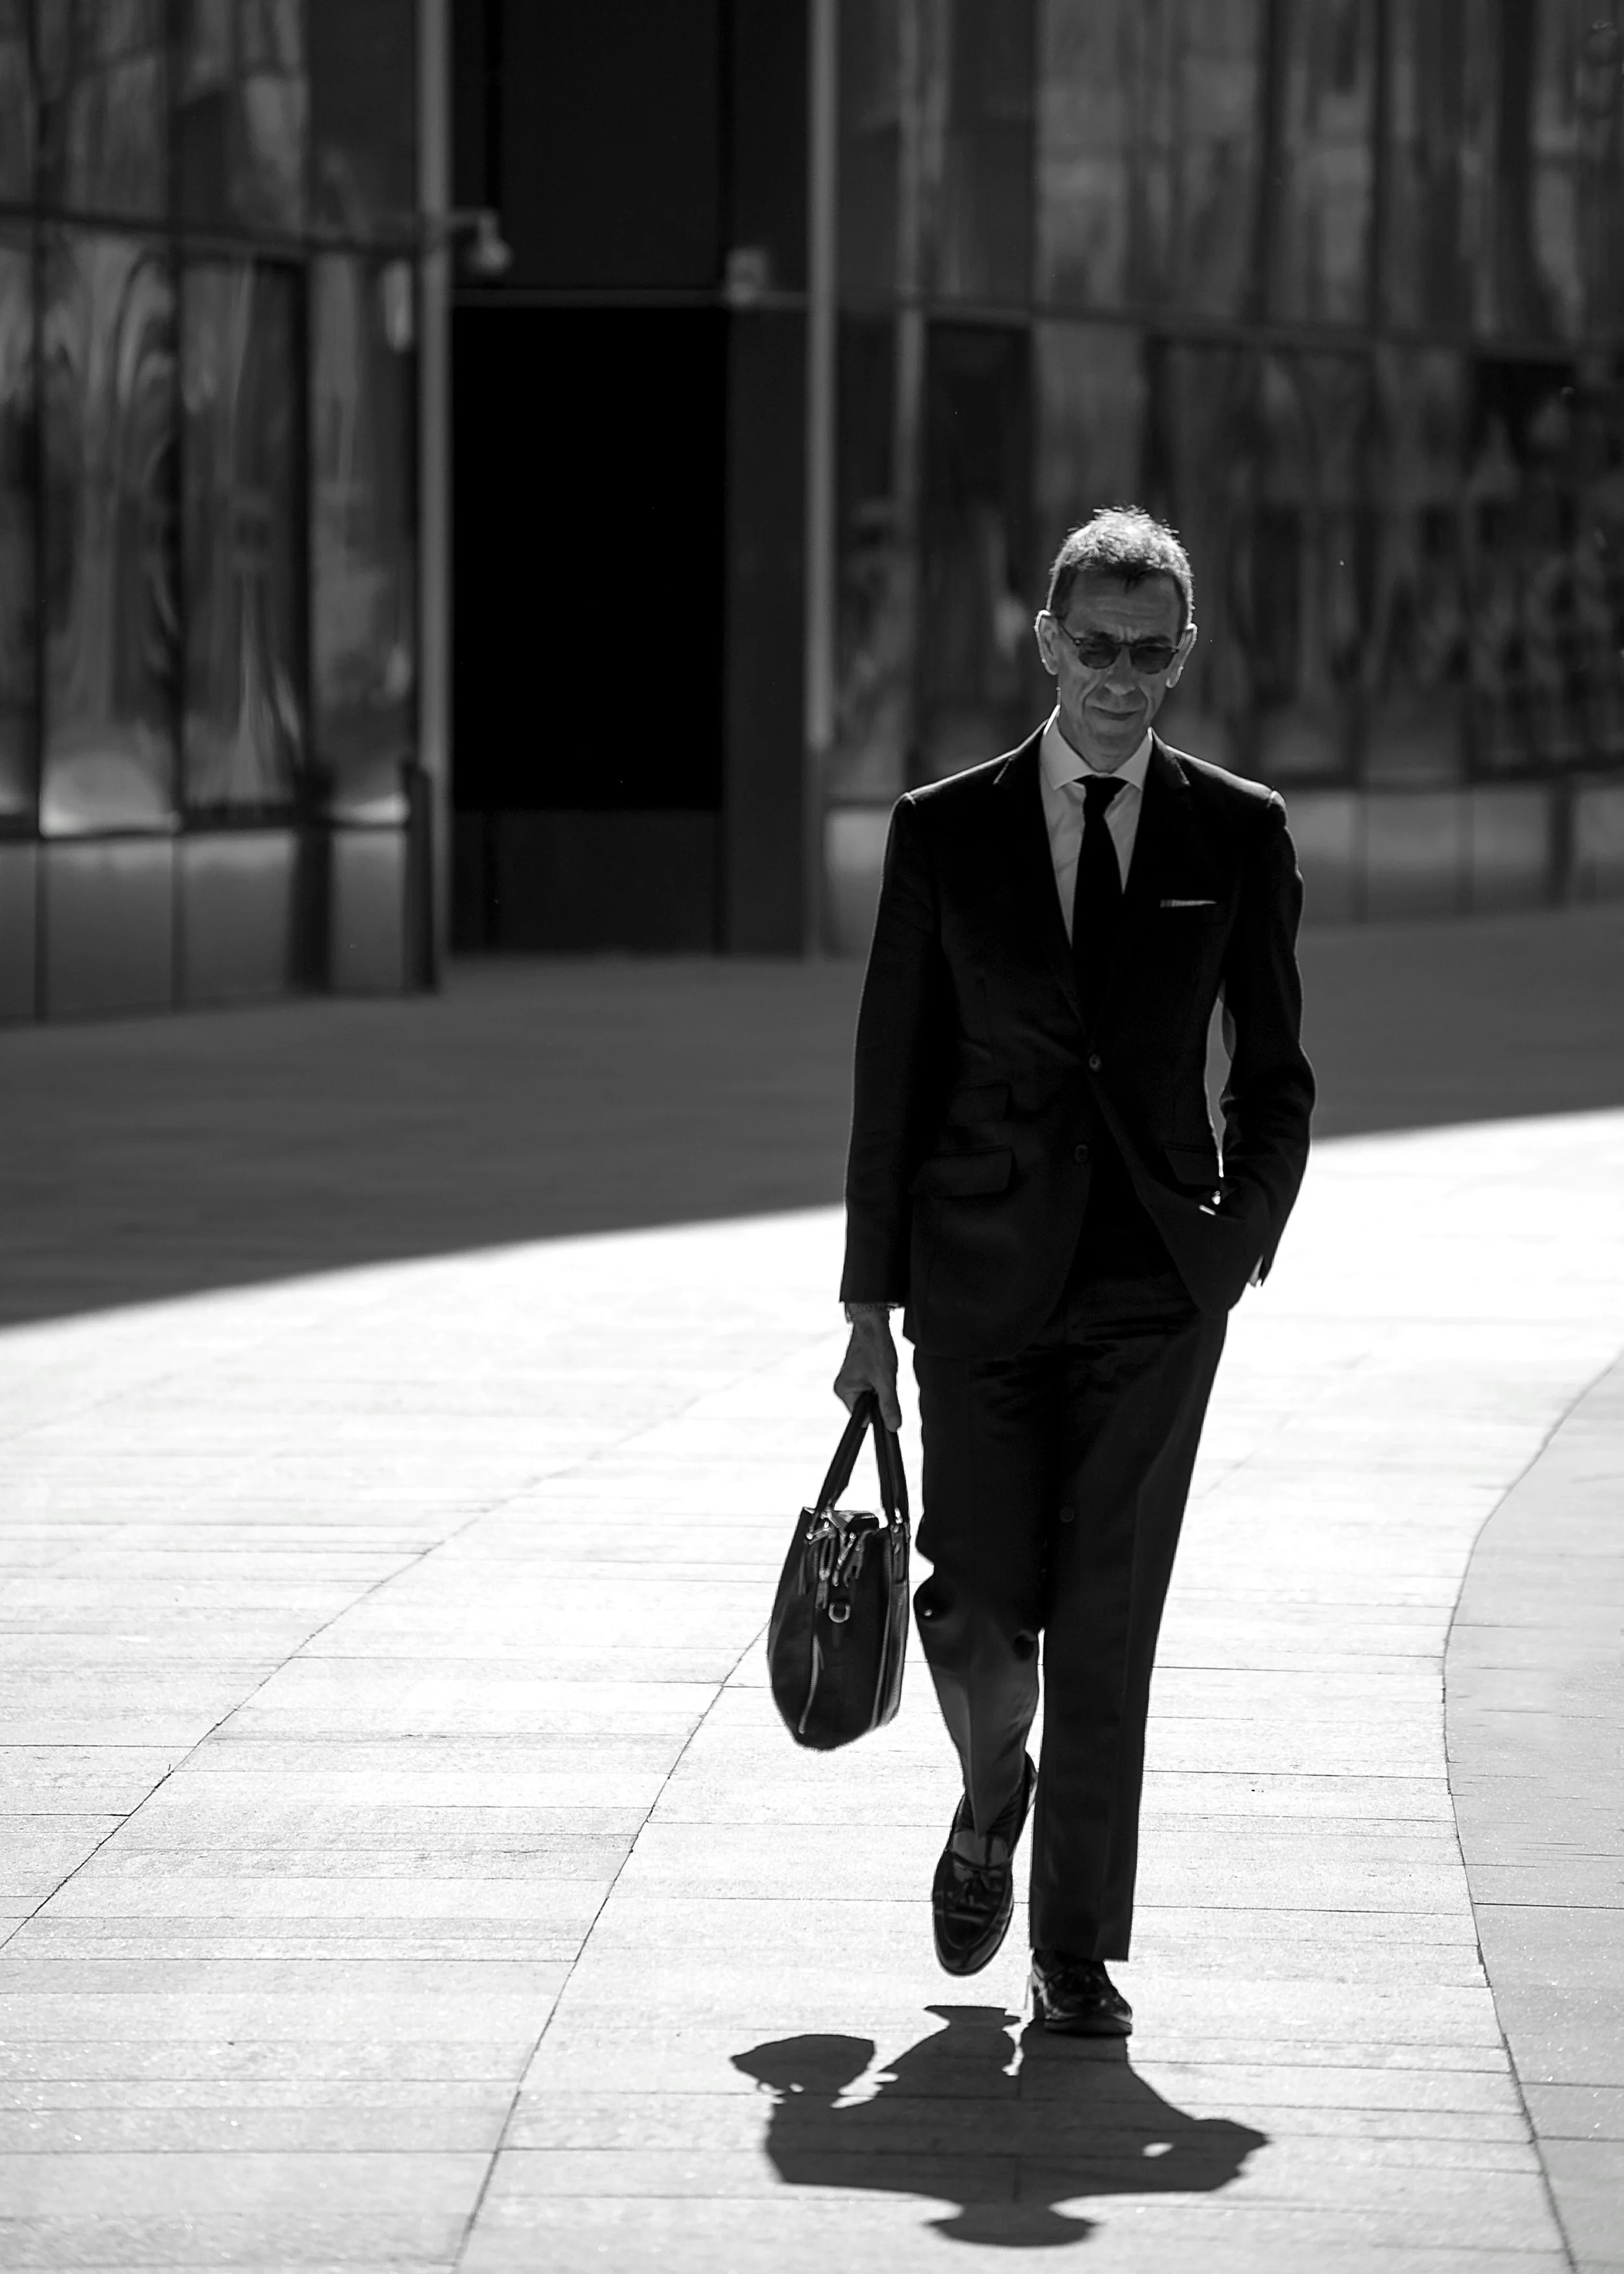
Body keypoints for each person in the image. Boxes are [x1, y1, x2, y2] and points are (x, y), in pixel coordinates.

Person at [835, 505, 1313, 2038]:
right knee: (975, 1597)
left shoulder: (1234, 830)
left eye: (1149, 652)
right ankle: (993, 1794)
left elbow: (1276, 1074)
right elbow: (890, 1078)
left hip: (1154, 1291)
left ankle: (1074, 1951)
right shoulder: (942, 829)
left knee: (1105, 1617)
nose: (1120, 677)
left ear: (1183, 656)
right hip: (975, 1278)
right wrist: (864, 1306)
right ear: (1044, 645)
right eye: (1095, 646)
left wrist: (1232, 1241)